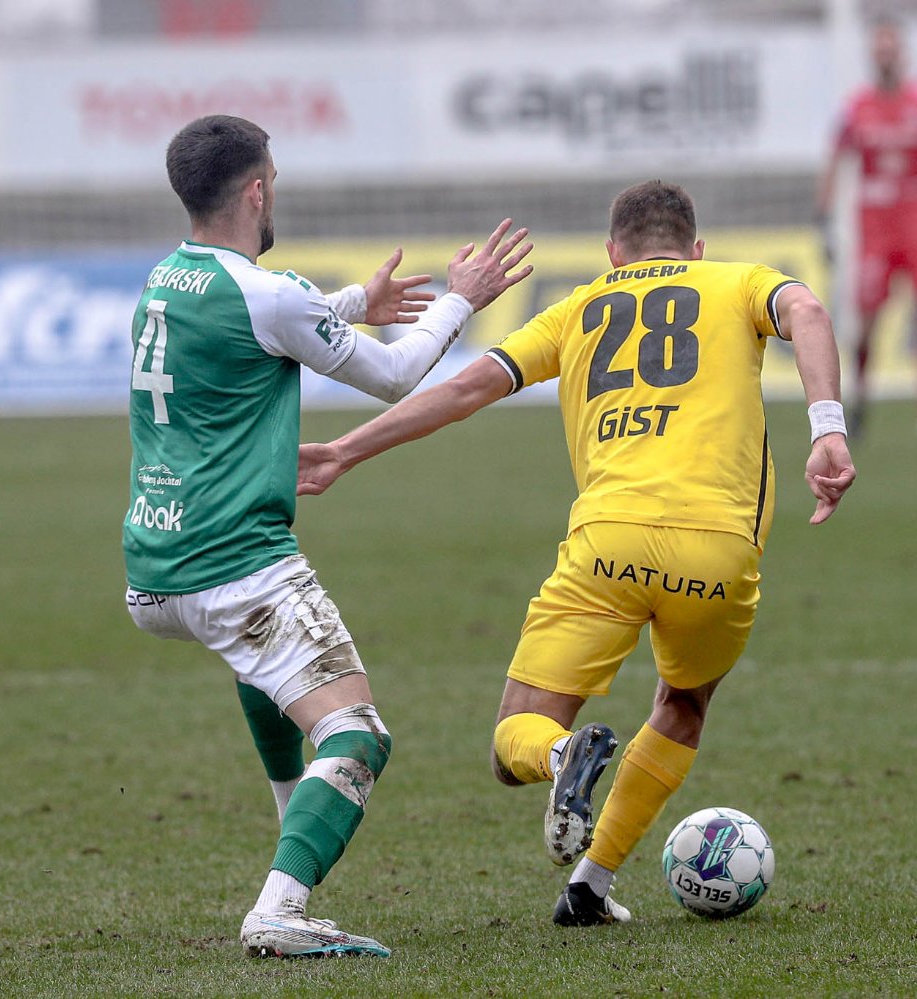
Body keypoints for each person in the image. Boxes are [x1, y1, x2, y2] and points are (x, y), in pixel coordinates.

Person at [297, 180, 856, 925]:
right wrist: (827, 428)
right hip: (718, 550)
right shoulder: (739, 281)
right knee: (684, 705)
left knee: (514, 742)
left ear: (612, 254)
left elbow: (464, 390)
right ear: (696, 249)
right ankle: (590, 884)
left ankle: (562, 756)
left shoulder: (579, 309)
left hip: (607, 546)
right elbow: (808, 311)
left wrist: (344, 450)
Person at [121, 114, 532, 958]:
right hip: (235, 565)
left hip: (154, 569)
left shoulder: (165, 279)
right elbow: (394, 374)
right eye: (275, 181)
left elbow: (266, 323)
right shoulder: (267, 295)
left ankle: (291, 814)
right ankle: (280, 907)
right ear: (256, 191)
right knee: (359, 734)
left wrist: (354, 305)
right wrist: (461, 298)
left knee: (263, 670)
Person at [816, 16, 917, 447]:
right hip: (875, 227)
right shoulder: (855, 108)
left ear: (902, 55)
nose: (885, 57)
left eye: (891, 50)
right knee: (867, 324)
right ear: (873, 56)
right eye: (879, 50)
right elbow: (834, 162)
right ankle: (860, 401)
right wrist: (823, 221)